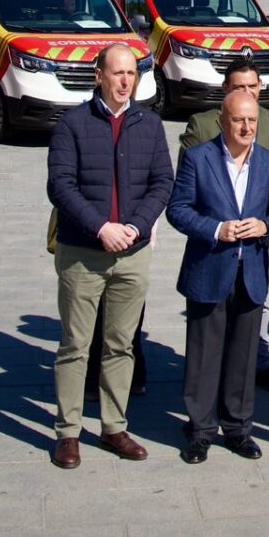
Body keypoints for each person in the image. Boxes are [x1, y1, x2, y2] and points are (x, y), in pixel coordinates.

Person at [45, 44, 175, 469]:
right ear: (98, 75)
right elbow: (61, 186)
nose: (125, 81)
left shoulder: (150, 124)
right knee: (76, 345)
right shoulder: (73, 123)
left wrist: (134, 227)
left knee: (121, 345)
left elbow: (162, 183)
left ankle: (114, 427)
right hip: (83, 252)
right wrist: (101, 227)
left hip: (132, 255)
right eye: (117, 73)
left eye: (131, 74)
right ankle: (68, 432)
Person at [167, 92, 269, 463]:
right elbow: (178, 210)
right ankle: (201, 430)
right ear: (222, 121)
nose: (247, 127)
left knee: (243, 354)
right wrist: (216, 229)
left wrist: (263, 225)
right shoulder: (199, 158)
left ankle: (238, 429)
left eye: (252, 121)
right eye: (239, 121)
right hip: (210, 267)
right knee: (204, 355)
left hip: (250, 270)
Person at [180, 58, 269, 394]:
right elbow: (186, 192)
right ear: (225, 90)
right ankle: (209, 386)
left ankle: (257, 366)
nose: (247, 92)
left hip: (262, 244)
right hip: (215, 246)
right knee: (212, 318)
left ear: (261, 87)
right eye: (238, 87)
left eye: (252, 86)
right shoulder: (203, 125)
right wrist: (215, 227)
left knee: (255, 309)